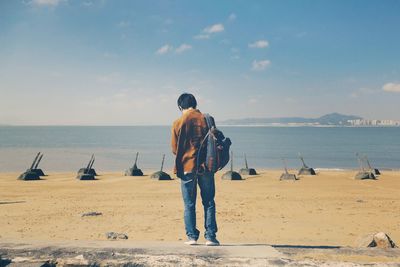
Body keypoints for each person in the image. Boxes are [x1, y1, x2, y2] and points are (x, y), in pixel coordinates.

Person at [171, 93, 219, 246]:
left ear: (180, 106)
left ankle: (192, 237)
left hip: (187, 167)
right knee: (209, 201)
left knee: (189, 204)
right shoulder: (207, 119)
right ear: (195, 104)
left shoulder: (178, 122)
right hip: (206, 166)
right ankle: (210, 237)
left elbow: (174, 149)